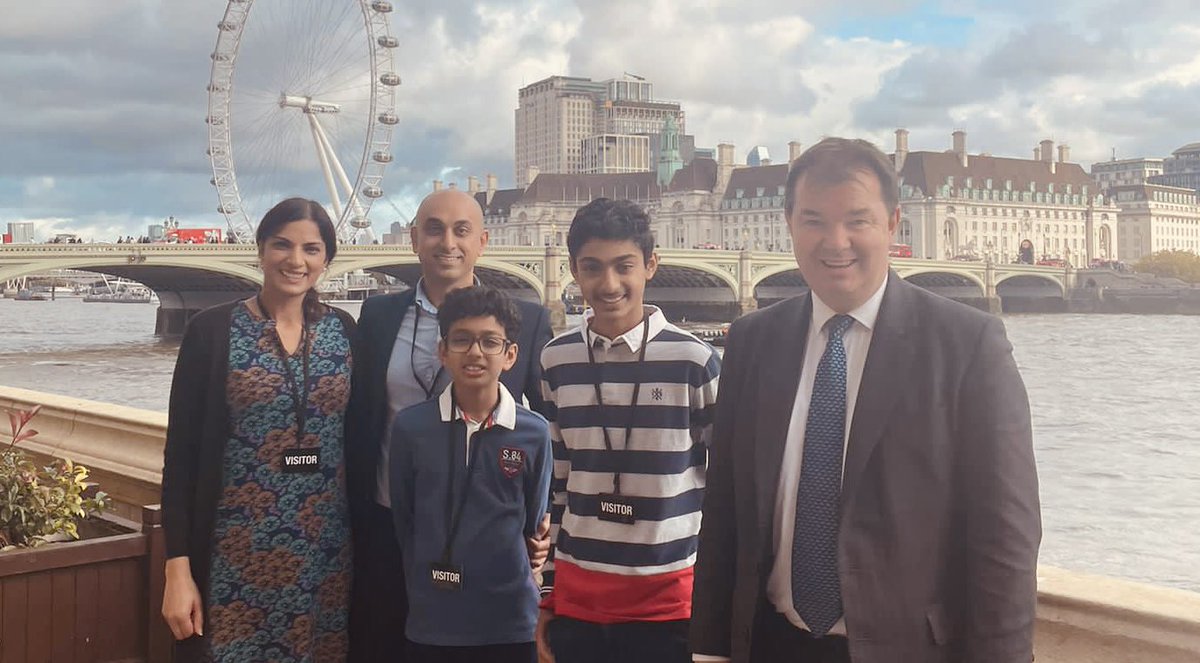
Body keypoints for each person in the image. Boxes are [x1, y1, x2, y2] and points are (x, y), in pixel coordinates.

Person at [689, 138, 1041, 663]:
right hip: (770, 642)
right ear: (789, 225)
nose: (836, 242)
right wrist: (711, 649)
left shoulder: (967, 345)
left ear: (892, 222)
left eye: (857, 220)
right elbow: (724, 512)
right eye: (814, 220)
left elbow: (1006, 539)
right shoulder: (752, 340)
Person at [348, 188, 554, 662]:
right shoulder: (378, 315)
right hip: (389, 524)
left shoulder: (526, 318)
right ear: (414, 239)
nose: (448, 242)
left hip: (482, 535)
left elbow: (546, 432)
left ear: (482, 241)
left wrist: (545, 528)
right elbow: (360, 415)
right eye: (435, 229)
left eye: (462, 230)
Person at [160, 197, 360, 662]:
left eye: (311, 249)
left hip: (326, 558)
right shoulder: (212, 331)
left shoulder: (345, 331)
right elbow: (181, 456)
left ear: (326, 259)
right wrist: (177, 568)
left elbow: (362, 438)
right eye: (282, 245)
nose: (296, 260)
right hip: (234, 554)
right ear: (260, 249)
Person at [536, 198, 721, 663]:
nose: (609, 284)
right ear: (574, 271)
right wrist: (550, 592)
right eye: (592, 268)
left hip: (670, 601)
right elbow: (560, 485)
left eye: (624, 266)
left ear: (650, 265)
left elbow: (727, 490)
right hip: (581, 598)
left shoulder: (694, 362)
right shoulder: (556, 361)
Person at [390, 285, 553, 663]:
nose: (475, 352)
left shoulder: (534, 432)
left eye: (489, 342)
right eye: (462, 340)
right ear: (443, 350)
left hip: (511, 620)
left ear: (510, 355)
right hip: (434, 620)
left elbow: (533, 520)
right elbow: (405, 520)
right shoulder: (411, 428)